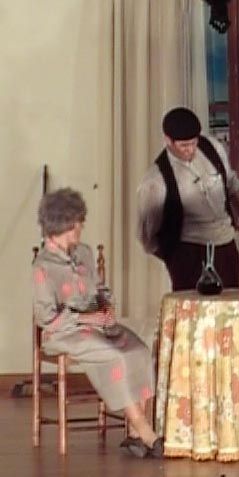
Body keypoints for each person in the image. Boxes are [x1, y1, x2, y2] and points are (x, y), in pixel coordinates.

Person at [32, 188, 162, 458]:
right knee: (115, 357)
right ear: (63, 224)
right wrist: (84, 318)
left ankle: (135, 435)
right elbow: (45, 317)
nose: (81, 226)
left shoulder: (85, 253)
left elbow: (101, 289)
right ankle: (145, 430)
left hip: (99, 325)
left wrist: (107, 308)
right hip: (64, 333)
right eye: (77, 221)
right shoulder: (42, 266)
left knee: (139, 351)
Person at [137, 107, 239, 291]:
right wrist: (175, 259)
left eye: (193, 143)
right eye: (184, 146)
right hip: (190, 252)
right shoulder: (156, 180)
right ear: (168, 140)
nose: (190, 150)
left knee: (232, 302)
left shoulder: (212, 147)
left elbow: (231, 182)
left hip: (226, 246)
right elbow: (147, 237)